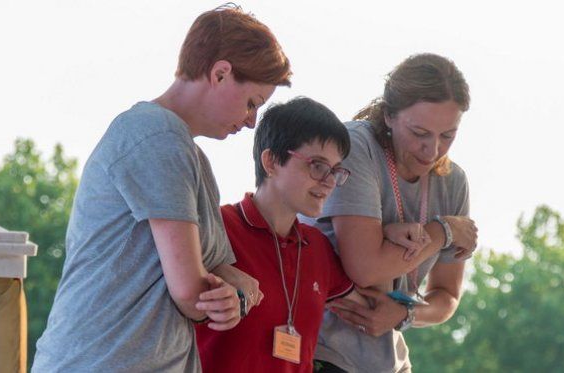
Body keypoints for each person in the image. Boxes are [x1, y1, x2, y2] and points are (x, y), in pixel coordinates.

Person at [31, 5, 291, 372]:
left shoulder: (191, 155)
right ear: (220, 73)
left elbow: (217, 269)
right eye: (252, 103)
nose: (252, 122)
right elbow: (192, 293)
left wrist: (235, 289)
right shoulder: (157, 135)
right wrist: (234, 296)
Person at [303, 53, 479, 373]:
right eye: (420, 133)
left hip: (389, 362)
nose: (433, 150)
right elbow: (365, 269)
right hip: (320, 353)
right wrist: (443, 232)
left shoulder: (453, 182)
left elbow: (447, 296)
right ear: (388, 116)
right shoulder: (355, 145)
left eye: (448, 135)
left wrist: (404, 315)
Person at [195, 97, 356, 373]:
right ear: (270, 161)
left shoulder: (318, 246)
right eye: (317, 165)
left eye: (336, 170)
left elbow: (368, 302)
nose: (329, 181)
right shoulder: (216, 226)